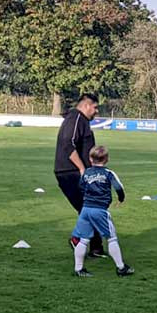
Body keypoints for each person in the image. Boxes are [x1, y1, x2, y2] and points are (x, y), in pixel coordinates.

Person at [54, 94, 105, 258]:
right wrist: (82, 169)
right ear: (86, 106)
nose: (96, 112)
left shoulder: (82, 121)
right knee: (90, 209)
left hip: (79, 173)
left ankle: (96, 249)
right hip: (71, 173)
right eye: (95, 107)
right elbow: (68, 144)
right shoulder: (75, 118)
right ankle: (77, 239)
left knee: (92, 208)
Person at [71, 145, 133, 277]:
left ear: (90, 159)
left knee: (83, 240)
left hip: (85, 209)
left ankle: (79, 269)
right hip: (100, 210)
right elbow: (119, 188)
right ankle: (121, 268)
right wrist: (121, 199)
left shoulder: (86, 172)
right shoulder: (109, 173)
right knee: (111, 238)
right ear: (107, 159)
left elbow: (81, 187)